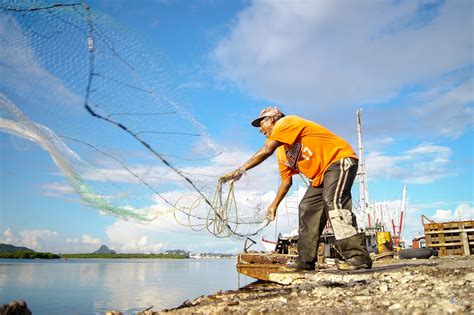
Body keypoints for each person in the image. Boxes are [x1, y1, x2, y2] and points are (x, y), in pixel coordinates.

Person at [223, 107, 372, 271]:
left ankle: (358, 256)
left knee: (333, 202)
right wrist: (274, 205)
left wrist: (240, 170)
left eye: (262, 122)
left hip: (339, 160)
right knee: (307, 208)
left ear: (273, 119)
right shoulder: (282, 152)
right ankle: (305, 261)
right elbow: (286, 182)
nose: (260, 129)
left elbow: (266, 150)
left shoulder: (286, 122)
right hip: (319, 177)